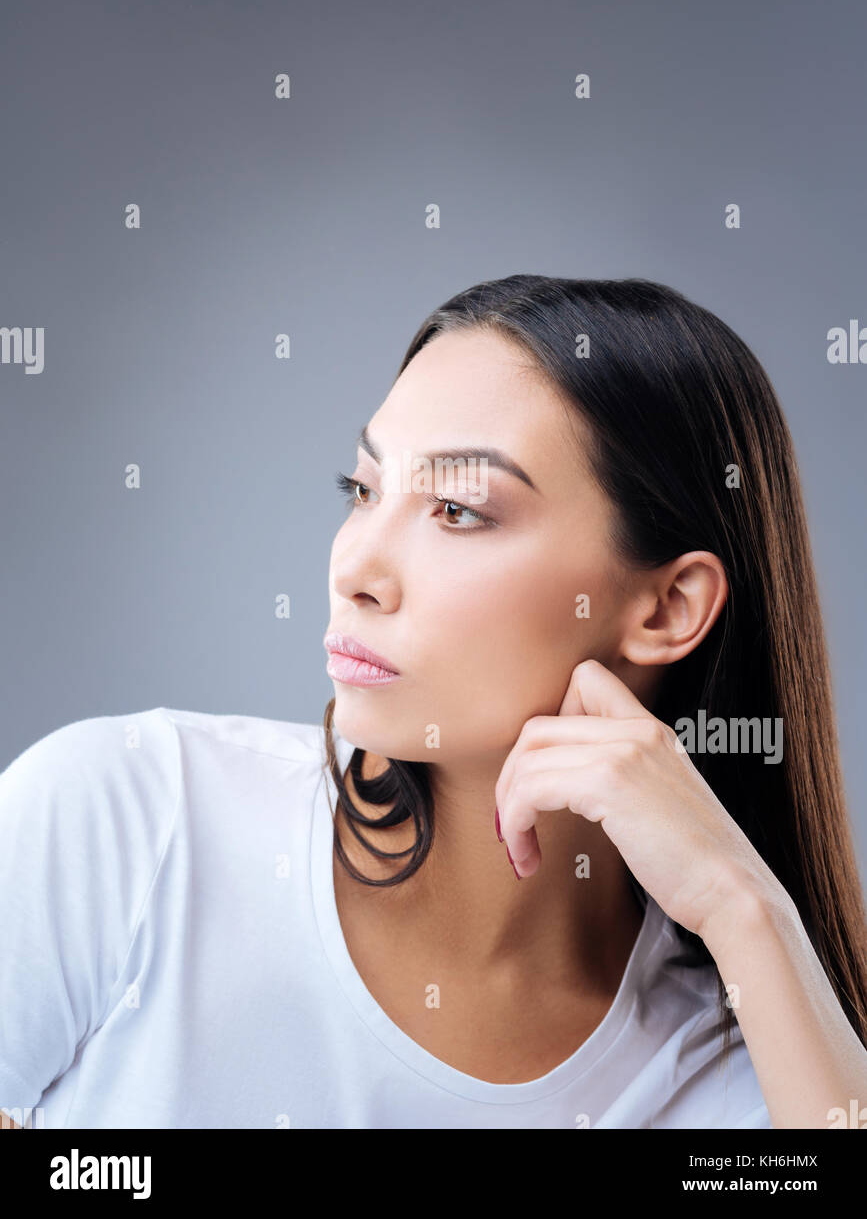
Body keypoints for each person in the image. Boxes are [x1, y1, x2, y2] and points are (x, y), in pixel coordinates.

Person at [2, 274, 866, 1129]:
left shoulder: (751, 1072)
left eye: (456, 509)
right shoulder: (129, 820)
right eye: (364, 491)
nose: (355, 570)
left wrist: (740, 906)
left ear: (666, 607)